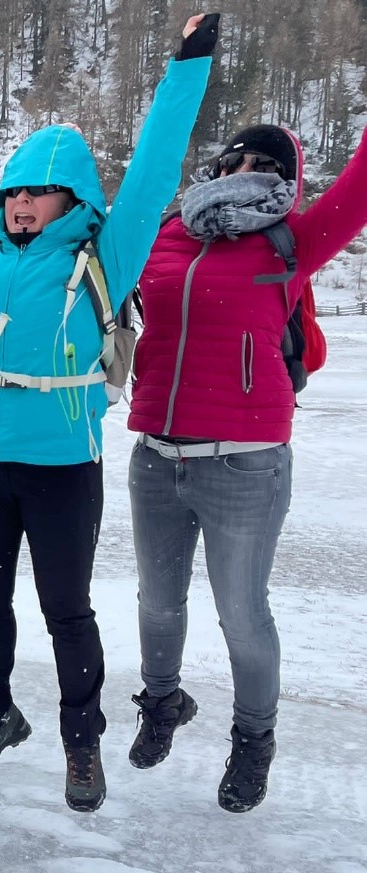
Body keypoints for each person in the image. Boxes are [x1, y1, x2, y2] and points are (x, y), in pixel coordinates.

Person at [0, 16, 218, 812]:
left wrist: (186, 68)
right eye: (15, 191)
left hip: (61, 467)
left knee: (66, 610)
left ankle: (81, 741)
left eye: (38, 192)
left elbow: (156, 170)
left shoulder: (105, 255)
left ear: (73, 199)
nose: (22, 203)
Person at [126, 120, 367, 812]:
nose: (246, 169)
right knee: (157, 602)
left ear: (289, 181)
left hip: (247, 464)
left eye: (266, 163)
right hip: (156, 455)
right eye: (235, 159)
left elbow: (360, 190)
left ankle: (254, 739)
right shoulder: (165, 234)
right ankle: (164, 703)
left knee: (242, 613)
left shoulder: (293, 241)